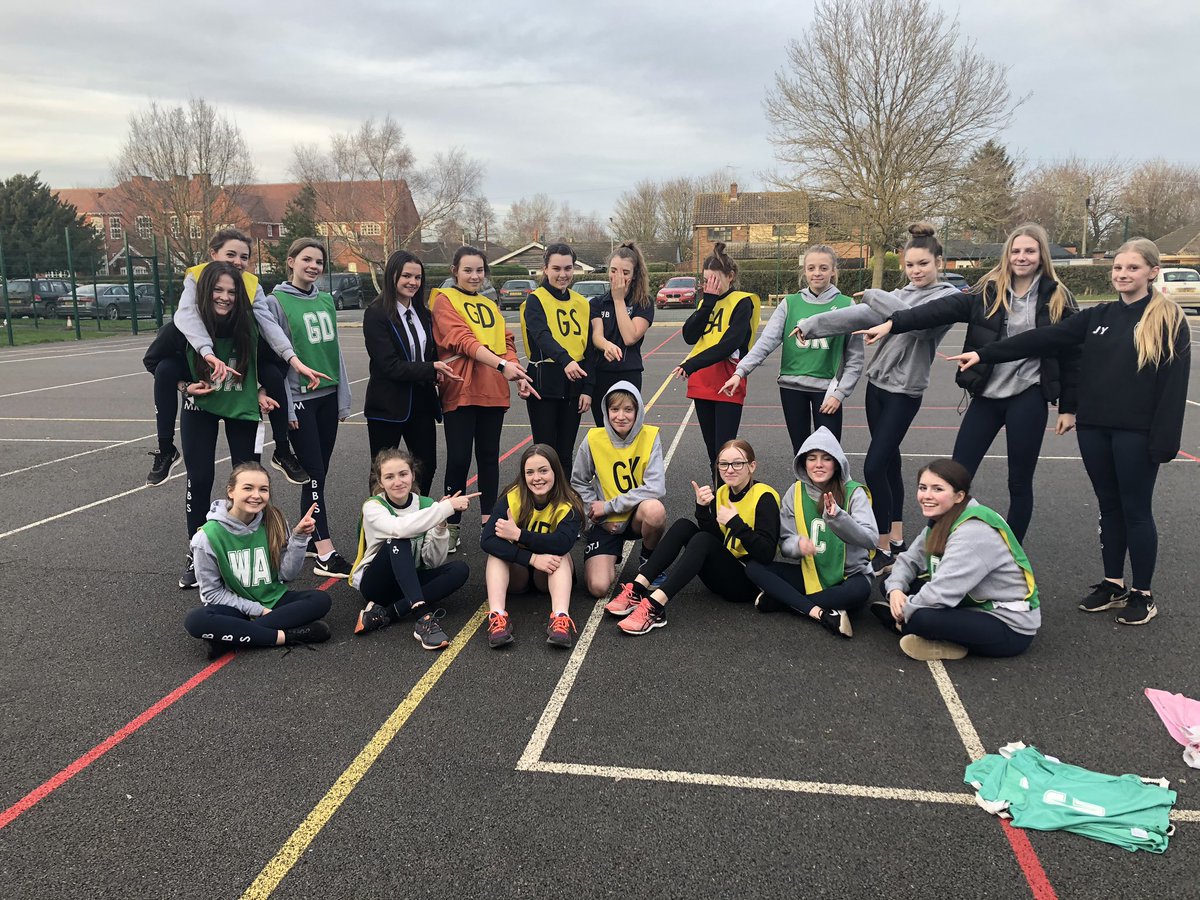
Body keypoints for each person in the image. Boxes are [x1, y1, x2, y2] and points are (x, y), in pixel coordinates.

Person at [951, 237, 1191, 626]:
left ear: (1152, 272)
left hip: (1137, 432)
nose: (1122, 275)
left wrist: (1164, 441)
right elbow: (1042, 338)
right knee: (1108, 507)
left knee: (1136, 511)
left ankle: (1142, 593)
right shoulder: (1099, 316)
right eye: (1118, 268)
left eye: (1132, 268)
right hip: (1095, 428)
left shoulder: (1168, 319)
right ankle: (1113, 583)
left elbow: (1173, 385)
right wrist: (987, 352)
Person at [858, 224, 1080, 541]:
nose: (1022, 256)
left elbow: (1073, 356)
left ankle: (1010, 556)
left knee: (1019, 481)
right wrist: (894, 323)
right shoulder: (987, 290)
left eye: (1029, 250)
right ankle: (935, 550)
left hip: (1028, 397)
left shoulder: (1058, 298)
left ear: (1041, 255)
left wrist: (1068, 408)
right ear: (1007, 254)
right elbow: (936, 311)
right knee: (955, 477)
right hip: (986, 396)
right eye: (1016, 250)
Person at [793, 223, 962, 571]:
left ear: (939, 262)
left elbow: (914, 321)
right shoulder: (899, 294)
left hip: (905, 392)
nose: (916, 271)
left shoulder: (945, 299)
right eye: (910, 265)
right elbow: (856, 315)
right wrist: (812, 325)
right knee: (890, 462)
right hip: (878, 387)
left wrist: (873, 293)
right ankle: (897, 538)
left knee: (873, 465)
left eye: (923, 264)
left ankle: (882, 542)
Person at [147, 227, 323, 488]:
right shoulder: (195, 280)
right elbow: (185, 318)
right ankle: (165, 448)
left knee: (273, 374)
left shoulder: (251, 287)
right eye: (230, 254)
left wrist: (293, 360)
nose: (238, 262)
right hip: (202, 367)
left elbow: (270, 325)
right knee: (165, 369)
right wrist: (199, 363)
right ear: (213, 254)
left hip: (237, 369)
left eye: (244, 257)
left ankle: (282, 449)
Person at [143, 262, 276, 589]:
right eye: (218, 290)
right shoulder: (184, 325)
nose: (225, 297)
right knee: (200, 478)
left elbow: (272, 360)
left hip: (239, 404)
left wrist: (262, 389)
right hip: (199, 405)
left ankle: (249, 550)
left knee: (249, 479)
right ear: (205, 292)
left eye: (232, 291)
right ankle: (196, 552)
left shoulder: (250, 321)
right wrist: (185, 386)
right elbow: (154, 363)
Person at [877, 459, 1040, 661]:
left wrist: (905, 609)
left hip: (1008, 626)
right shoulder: (944, 519)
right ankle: (910, 624)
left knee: (921, 619)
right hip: (969, 603)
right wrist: (895, 591)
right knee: (890, 583)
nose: (927, 496)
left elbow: (941, 592)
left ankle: (942, 641)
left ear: (959, 496)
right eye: (923, 487)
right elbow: (908, 560)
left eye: (937, 489)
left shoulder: (973, 533)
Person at [611, 439, 779, 635]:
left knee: (702, 540)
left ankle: (656, 606)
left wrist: (735, 523)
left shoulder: (765, 497)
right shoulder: (723, 492)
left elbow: (766, 554)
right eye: (723, 464)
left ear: (752, 466)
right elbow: (717, 538)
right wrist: (702, 509)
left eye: (737, 463)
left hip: (749, 582)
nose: (729, 469)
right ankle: (638, 590)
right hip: (724, 572)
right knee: (683, 525)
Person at [432, 245, 536, 552]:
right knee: (460, 457)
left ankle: (489, 522)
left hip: (493, 388)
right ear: (455, 271)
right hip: (462, 386)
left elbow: (506, 341)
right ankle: (451, 524)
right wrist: (503, 365)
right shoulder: (444, 300)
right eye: (468, 270)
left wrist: (514, 370)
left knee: (489, 458)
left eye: (479, 270)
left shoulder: (490, 304)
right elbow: (462, 341)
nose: (475, 276)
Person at [261, 238, 354, 577]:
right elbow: (273, 357)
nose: (313, 266)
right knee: (313, 474)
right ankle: (326, 551)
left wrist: (342, 397)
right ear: (291, 262)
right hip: (299, 400)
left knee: (318, 477)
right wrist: (284, 409)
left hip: (326, 397)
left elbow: (334, 353)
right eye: (307, 260)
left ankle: (313, 539)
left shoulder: (327, 300)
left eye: (319, 262)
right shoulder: (275, 302)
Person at [721, 245, 863, 450]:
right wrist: (740, 372)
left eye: (823, 268)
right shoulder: (790, 303)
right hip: (792, 387)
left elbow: (855, 359)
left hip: (827, 390)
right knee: (801, 451)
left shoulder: (847, 305)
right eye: (811, 268)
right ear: (804, 270)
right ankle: (802, 484)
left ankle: (830, 484)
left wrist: (840, 393)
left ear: (833, 271)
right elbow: (766, 342)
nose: (817, 273)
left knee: (829, 454)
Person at [184, 462, 332, 659]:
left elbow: (287, 574)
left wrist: (299, 538)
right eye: (248, 488)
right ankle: (286, 636)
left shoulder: (274, 520)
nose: (256, 495)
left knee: (321, 600)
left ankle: (233, 638)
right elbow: (212, 594)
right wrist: (257, 610)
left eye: (263, 489)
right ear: (231, 491)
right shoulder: (206, 537)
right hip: (235, 609)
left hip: (274, 600)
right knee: (195, 620)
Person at [745, 427, 878, 638]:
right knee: (754, 568)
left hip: (849, 575)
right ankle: (823, 610)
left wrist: (839, 518)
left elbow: (871, 540)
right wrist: (797, 545)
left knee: (859, 592)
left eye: (826, 458)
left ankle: (785, 601)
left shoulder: (854, 492)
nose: (818, 464)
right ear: (803, 463)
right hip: (812, 573)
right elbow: (785, 545)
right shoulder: (795, 492)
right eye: (812, 458)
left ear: (836, 463)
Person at [348, 449, 474, 650]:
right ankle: (423, 618)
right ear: (380, 482)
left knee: (459, 569)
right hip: (376, 585)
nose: (397, 481)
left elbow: (433, 561)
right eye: (389, 477)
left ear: (413, 475)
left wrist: (441, 524)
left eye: (403, 474)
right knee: (399, 540)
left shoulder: (426, 506)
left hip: (409, 580)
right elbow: (400, 528)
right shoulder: (373, 507)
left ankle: (386, 614)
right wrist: (446, 507)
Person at [362, 250, 459, 495]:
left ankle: (416, 521)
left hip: (422, 404)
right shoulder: (376, 314)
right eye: (406, 276)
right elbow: (389, 365)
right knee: (383, 472)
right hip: (388, 406)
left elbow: (431, 353)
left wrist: (438, 366)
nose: (413, 282)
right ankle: (381, 526)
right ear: (392, 275)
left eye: (417, 277)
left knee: (425, 467)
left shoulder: (424, 315)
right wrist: (431, 368)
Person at [480, 444, 583, 649]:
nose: (537, 478)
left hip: (547, 574)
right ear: (523, 475)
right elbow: (487, 540)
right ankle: (497, 617)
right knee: (496, 554)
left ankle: (560, 618)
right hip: (518, 572)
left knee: (560, 554)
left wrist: (519, 534)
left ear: (555, 471)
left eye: (543, 470)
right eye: (530, 472)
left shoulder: (569, 502)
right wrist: (532, 558)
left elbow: (563, 543)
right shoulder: (512, 497)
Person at [571, 381, 667, 598]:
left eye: (628, 409)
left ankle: (648, 557)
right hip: (605, 522)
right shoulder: (594, 438)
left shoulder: (650, 436)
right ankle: (607, 556)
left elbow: (656, 487)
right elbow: (578, 482)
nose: (620, 416)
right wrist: (599, 517)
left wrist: (609, 506)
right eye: (614, 409)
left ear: (638, 411)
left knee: (655, 510)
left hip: (634, 516)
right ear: (606, 411)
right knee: (598, 588)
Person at [672, 243, 762, 469]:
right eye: (706, 280)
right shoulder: (707, 302)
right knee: (712, 452)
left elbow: (728, 344)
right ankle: (717, 496)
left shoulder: (743, 302)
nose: (709, 285)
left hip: (728, 380)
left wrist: (691, 364)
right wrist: (707, 303)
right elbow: (689, 335)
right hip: (703, 380)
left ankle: (729, 496)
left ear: (730, 276)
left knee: (725, 450)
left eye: (715, 279)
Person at [520, 242, 594, 467]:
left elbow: (589, 349)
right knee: (544, 452)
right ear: (546, 269)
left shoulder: (582, 303)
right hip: (544, 382)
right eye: (557, 269)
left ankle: (565, 500)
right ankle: (544, 499)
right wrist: (565, 360)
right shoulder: (536, 300)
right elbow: (541, 335)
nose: (563, 274)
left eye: (568, 268)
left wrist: (588, 389)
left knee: (564, 452)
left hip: (573, 384)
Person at [589, 242, 655, 425]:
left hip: (629, 374)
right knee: (604, 430)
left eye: (625, 273)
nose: (618, 276)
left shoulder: (644, 303)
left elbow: (630, 337)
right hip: (601, 374)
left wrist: (619, 300)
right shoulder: (597, 303)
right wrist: (606, 345)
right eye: (613, 270)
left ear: (634, 276)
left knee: (626, 428)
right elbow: (597, 336)